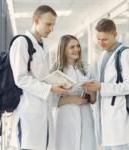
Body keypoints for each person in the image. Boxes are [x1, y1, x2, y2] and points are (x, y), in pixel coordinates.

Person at [9, 5, 69, 150]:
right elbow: (21, 79)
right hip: (28, 111)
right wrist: (49, 88)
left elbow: (41, 76)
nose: (51, 29)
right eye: (48, 24)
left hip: (44, 111)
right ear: (36, 20)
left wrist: (56, 82)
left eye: (53, 25)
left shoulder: (44, 44)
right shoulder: (21, 43)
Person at [82, 18, 129, 150]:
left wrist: (101, 86)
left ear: (115, 35)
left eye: (105, 39)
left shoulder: (125, 54)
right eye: (98, 39)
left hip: (119, 117)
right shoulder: (103, 55)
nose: (101, 43)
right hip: (105, 118)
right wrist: (92, 87)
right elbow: (103, 83)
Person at [51, 35, 97, 150]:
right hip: (65, 116)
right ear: (63, 49)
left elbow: (94, 99)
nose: (76, 49)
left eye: (78, 46)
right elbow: (51, 100)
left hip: (85, 114)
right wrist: (71, 99)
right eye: (72, 47)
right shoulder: (56, 70)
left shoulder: (88, 68)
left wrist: (91, 92)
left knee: (86, 145)